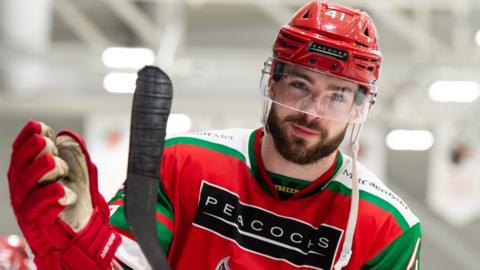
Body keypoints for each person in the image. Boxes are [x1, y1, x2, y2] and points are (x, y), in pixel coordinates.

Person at [7, 1, 422, 269]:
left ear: (358, 108)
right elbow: (125, 263)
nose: (312, 112)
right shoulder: (183, 162)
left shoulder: (389, 228)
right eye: (300, 86)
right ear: (273, 83)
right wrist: (73, 241)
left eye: (337, 96)